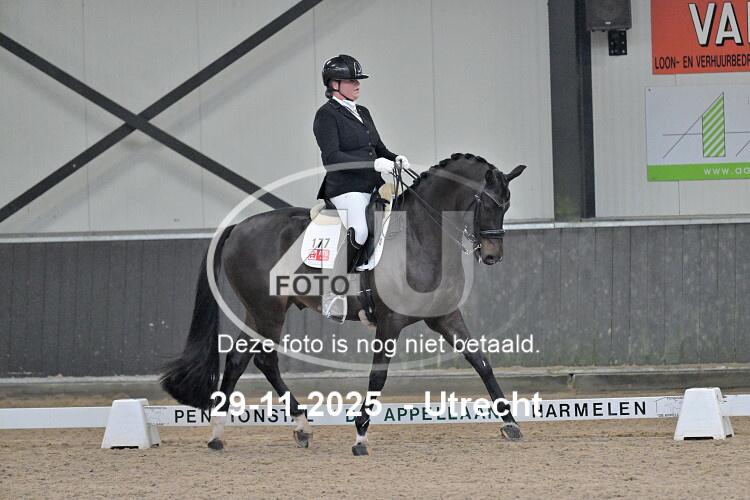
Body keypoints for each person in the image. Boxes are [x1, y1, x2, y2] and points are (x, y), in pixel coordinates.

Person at [313, 54, 410, 273]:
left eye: (357, 80)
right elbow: (332, 158)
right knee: (360, 231)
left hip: (374, 185)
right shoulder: (326, 115)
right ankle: (338, 280)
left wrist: (395, 158)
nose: (358, 84)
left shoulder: (363, 112)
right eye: (351, 80)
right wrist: (372, 165)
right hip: (346, 189)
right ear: (334, 84)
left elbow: (379, 149)